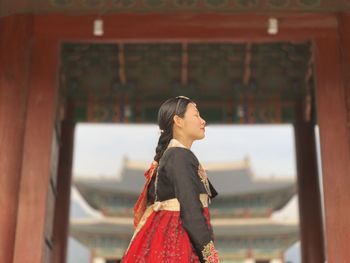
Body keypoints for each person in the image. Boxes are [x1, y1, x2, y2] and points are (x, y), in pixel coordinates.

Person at [121, 96, 220, 263]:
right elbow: (191, 210)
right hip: (179, 245)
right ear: (178, 121)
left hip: (169, 242)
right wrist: (210, 257)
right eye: (196, 115)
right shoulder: (179, 156)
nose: (203, 121)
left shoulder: (173, 156)